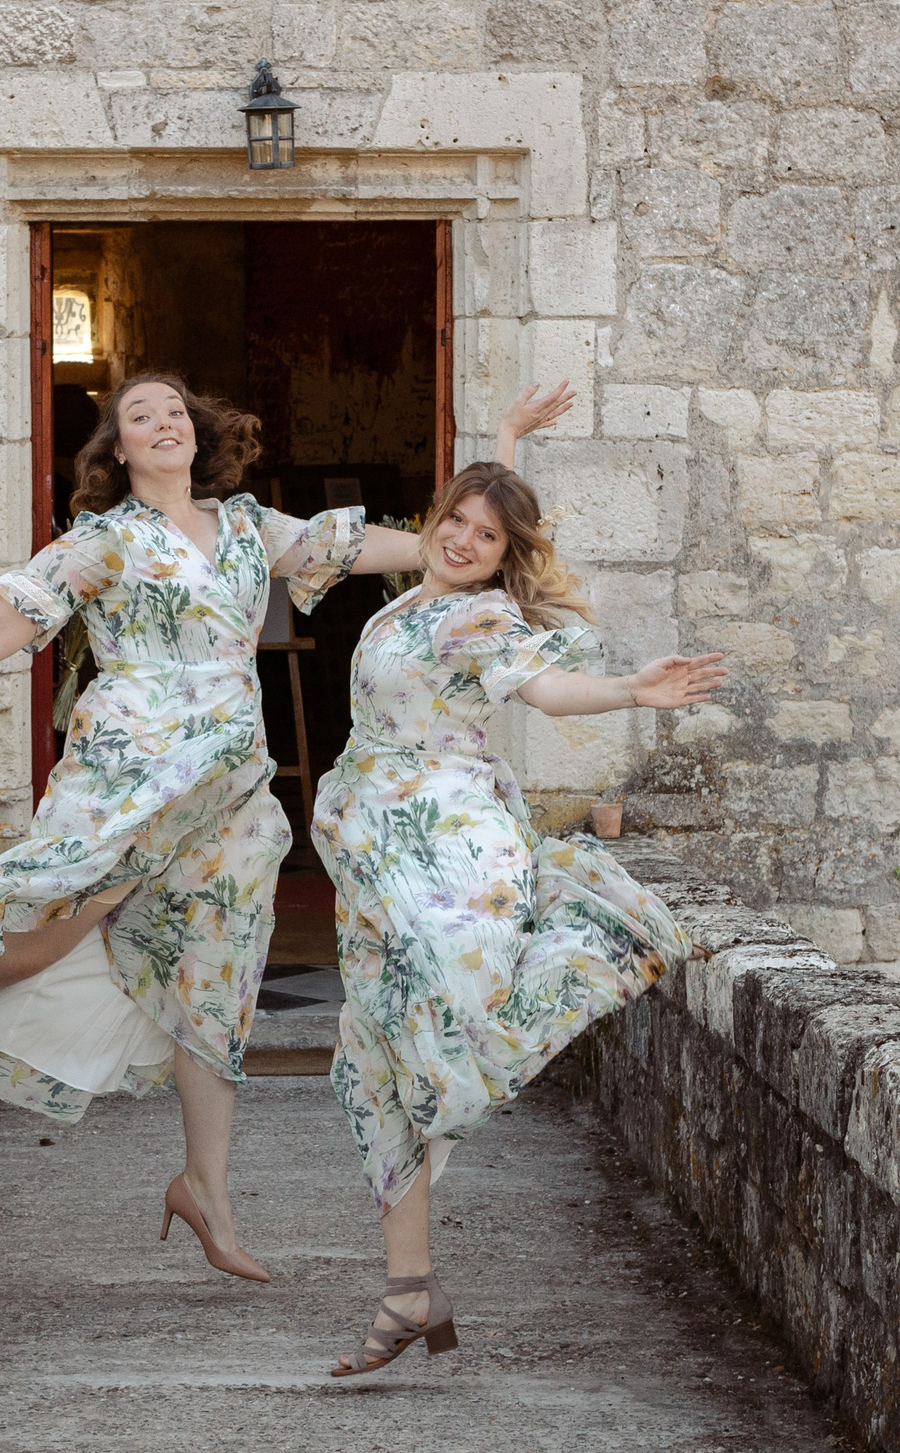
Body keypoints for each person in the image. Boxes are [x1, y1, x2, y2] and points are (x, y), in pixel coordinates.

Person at [0, 370, 574, 1282]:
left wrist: (504, 440)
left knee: (214, 991)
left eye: (176, 409)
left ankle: (205, 1189)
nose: (164, 421)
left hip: (229, 796)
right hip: (130, 780)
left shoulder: (254, 530)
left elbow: (440, 544)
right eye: (142, 415)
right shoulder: (103, 542)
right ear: (119, 451)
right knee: (33, 932)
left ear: (196, 433)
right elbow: (0, 622)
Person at [312, 456, 728, 1374]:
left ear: (506, 557)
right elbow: (470, 500)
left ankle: (602, 943)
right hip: (374, 853)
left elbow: (545, 690)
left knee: (454, 1037)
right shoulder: (403, 600)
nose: (463, 541)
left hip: (446, 847)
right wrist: (500, 440)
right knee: (376, 1058)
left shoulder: (480, 615)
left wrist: (628, 690)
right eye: (456, 520)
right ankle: (408, 1290)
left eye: (487, 534)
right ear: (435, 518)